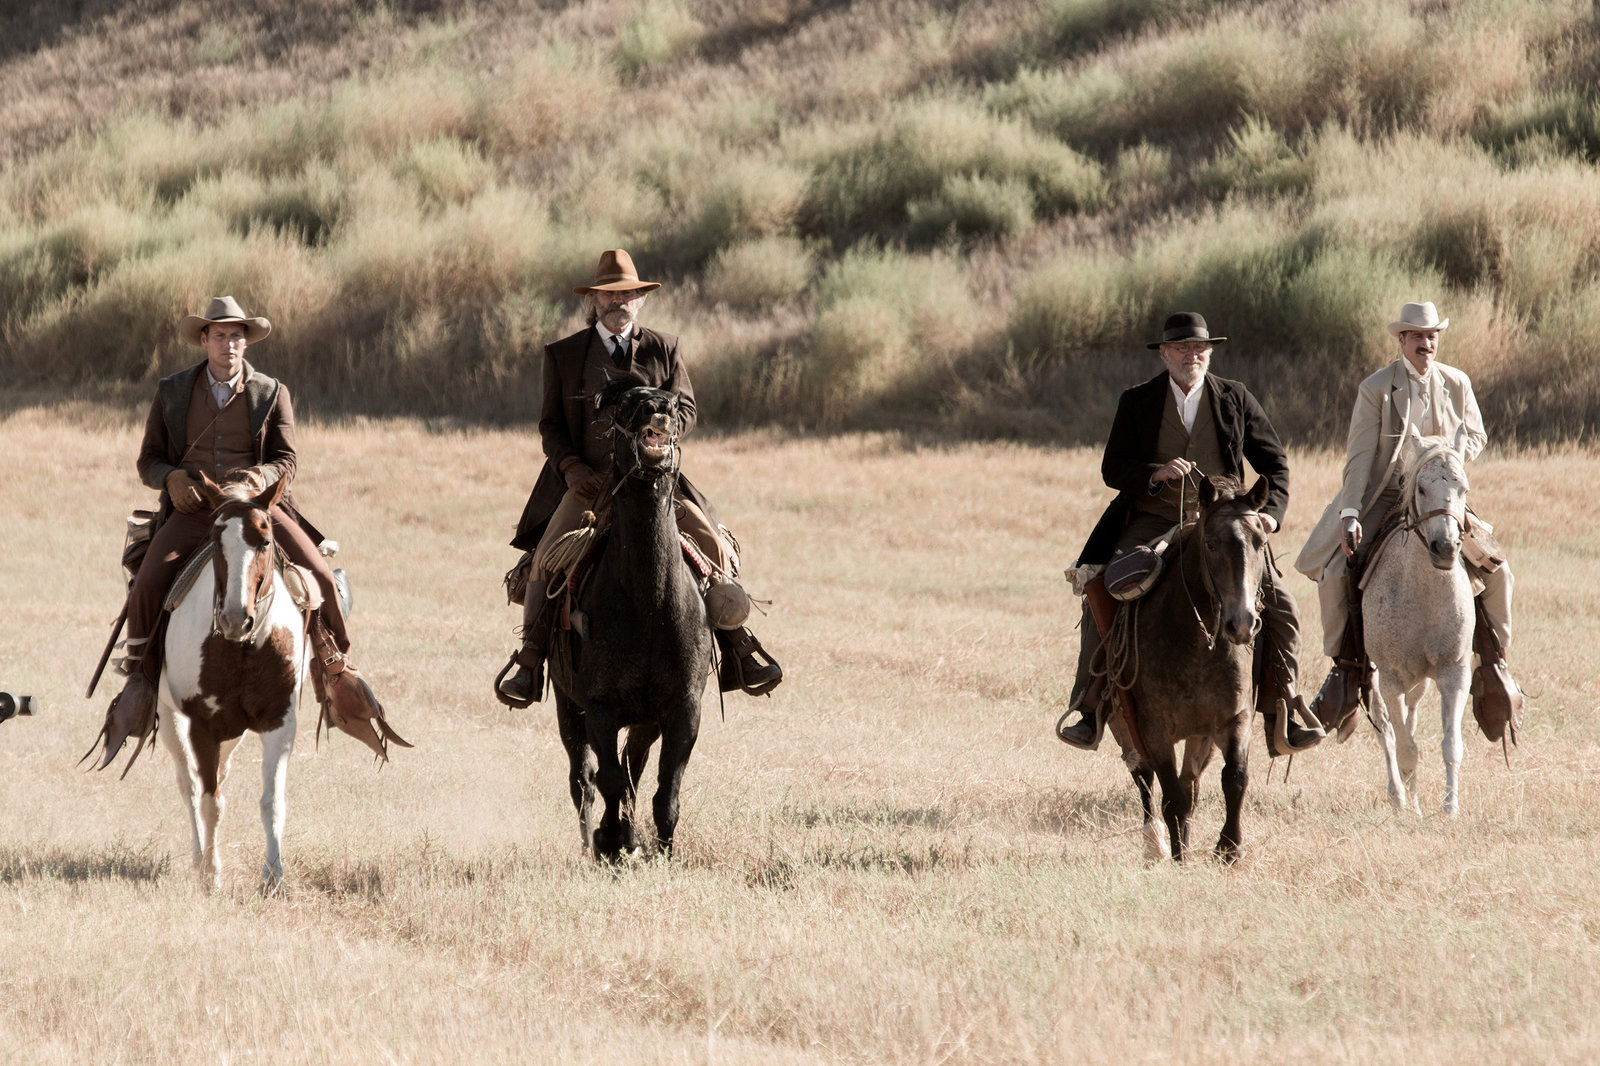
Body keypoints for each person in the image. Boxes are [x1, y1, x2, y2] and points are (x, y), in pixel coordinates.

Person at [90, 297, 402, 767]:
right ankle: (140, 681)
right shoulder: (172, 391)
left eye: (237, 336)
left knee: (318, 574)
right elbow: (148, 460)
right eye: (220, 335)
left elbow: (288, 460)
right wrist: (171, 480)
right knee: (149, 583)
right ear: (204, 340)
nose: (230, 344)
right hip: (195, 509)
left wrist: (258, 480)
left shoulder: (272, 392)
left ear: (245, 342)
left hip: (257, 511)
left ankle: (338, 671)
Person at [499, 249, 782, 705]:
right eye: (610, 295)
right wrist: (572, 470)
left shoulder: (664, 348)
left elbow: (686, 408)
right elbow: (551, 426)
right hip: (589, 487)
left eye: (628, 293)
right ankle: (530, 660)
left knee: (713, 548)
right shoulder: (563, 355)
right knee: (546, 559)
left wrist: (664, 435)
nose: (620, 302)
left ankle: (738, 646)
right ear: (594, 300)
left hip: (656, 485)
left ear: (641, 299)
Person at [1057, 312, 1326, 755]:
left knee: (1282, 604)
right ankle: (1089, 707)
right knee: (1105, 588)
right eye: (1181, 348)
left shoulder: (1235, 398)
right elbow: (1113, 468)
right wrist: (1155, 472)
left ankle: (1285, 710)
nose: (1191, 355)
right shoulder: (1137, 401)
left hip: (1224, 523)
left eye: (1198, 348)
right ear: (1164, 355)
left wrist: (1270, 517)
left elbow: (1276, 466)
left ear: (1210, 353)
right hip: (1151, 519)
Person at [1296, 301, 1515, 726]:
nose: (1426, 343)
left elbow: (1477, 433)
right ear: (1402, 340)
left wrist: (1447, 459)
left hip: (1439, 494)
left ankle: (1494, 664)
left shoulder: (1457, 382)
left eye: (1432, 335)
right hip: (1385, 494)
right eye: (1417, 336)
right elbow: (1359, 458)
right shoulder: (1375, 388)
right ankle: (1345, 671)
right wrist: (1350, 512)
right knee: (1337, 572)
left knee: (1499, 571)